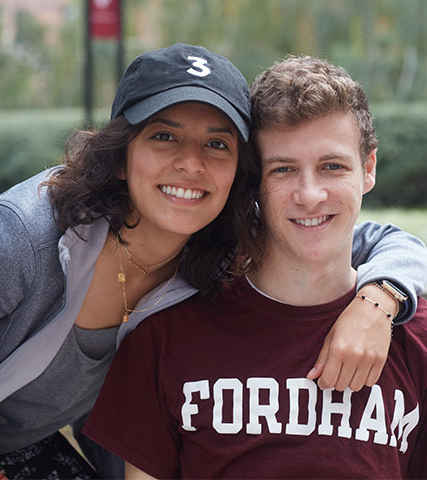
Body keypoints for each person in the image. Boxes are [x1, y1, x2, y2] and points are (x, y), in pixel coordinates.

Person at [0, 43, 425, 480]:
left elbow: (368, 237)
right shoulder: (23, 238)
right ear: (119, 153)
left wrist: (380, 300)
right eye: (164, 136)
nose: (191, 165)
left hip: (23, 444)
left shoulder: (225, 235)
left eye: (216, 144)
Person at [83, 55, 427, 479]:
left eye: (332, 167)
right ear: (252, 182)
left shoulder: (414, 336)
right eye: (283, 169)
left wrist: (381, 301)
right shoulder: (166, 333)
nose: (311, 194)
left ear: (368, 168)